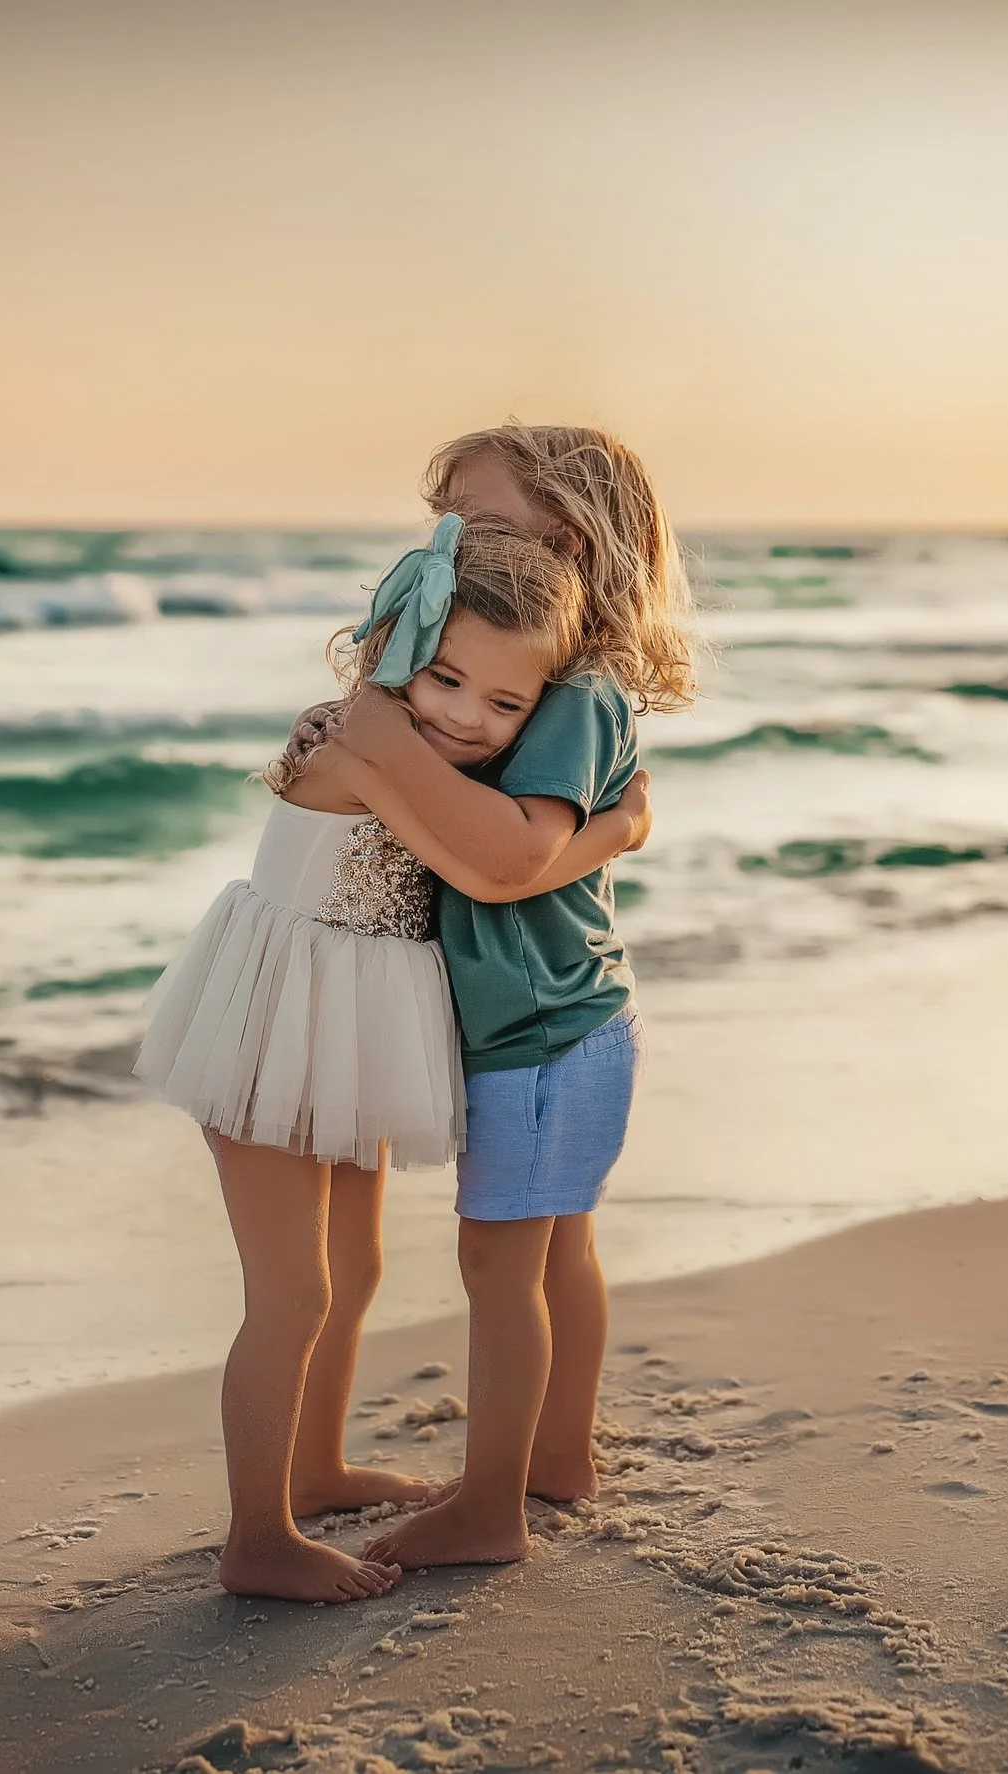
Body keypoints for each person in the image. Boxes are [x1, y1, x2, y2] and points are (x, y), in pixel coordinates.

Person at [135, 512, 651, 1603]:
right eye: (449, 682)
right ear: (405, 650)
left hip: (351, 1018)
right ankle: (257, 1537)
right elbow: (487, 872)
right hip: (277, 1020)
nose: (466, 718)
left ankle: (316, 1467)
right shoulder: (375, 742)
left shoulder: (398, 733)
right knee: (292, 1290)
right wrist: (615, 831)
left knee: (355, 1269)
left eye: (504, 703)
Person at [329, 424, 700, 1570]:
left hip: (541, 1031)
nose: (451, 551)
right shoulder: (516, 677)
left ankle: (492, 1509)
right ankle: (557, 1458)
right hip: (565, 1018)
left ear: (570, 540)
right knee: (553, 1255)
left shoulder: (571, 695)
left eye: (478, 529)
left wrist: (382, 734)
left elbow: (504, 859)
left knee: (502, 1266)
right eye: (445, 529)